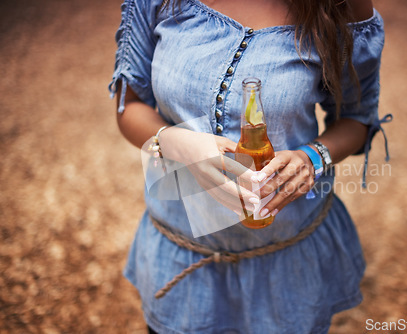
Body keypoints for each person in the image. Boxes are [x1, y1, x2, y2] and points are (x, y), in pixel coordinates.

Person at [109, 0, 391, 332]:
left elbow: (356, 120)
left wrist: (312, 158)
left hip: (286, 265)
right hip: (181, 256)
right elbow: (130, 105)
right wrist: (173, 142)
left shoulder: (341, 5)